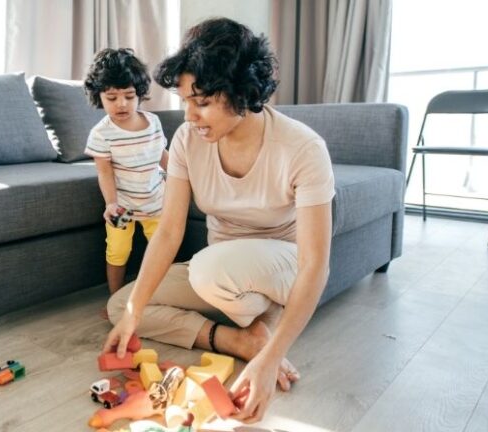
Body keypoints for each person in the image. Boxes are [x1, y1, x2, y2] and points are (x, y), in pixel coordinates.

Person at [101, 18, 335, 424]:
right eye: (185, 101)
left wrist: (271, 361)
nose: (190, 116)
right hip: (221, 267)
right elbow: (170, 231)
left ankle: (268, 334)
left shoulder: (303, 148)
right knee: (121, 304)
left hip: (283, 264)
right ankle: (242, 339)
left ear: (243, 92)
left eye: (202, 102)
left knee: (211, 269)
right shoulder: (188, 142)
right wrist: (135, 313)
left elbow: (315, 263)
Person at [84, 48, 169, 304]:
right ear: (99, 97)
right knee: (118, 251)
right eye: (112, 98)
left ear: (139, 94)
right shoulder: (101, 133)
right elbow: (104, 172)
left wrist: (183, 177)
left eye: (129, 96)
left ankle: (161, 297)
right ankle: (116, 299)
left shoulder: (153, 122)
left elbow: (163, 155)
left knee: (162, 250)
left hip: (157, 201)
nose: (121, 104)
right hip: (122, 208)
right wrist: (111, 204)